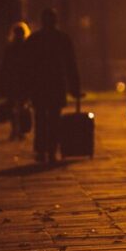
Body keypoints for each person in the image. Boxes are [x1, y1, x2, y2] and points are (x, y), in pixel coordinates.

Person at [25, 8, 81, 163]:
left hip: (39, 85)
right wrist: (74, 88)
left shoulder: (34, 39)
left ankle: (41, 149)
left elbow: (26, 66)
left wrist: (26, 88)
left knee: (40, 118)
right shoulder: (62, 39)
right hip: (56, 84)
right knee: (54, 118)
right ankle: (51, 149)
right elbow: (71, 65)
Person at [0, 22, 31, 140]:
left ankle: (15, 130)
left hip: (13, 81)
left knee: (14, 107)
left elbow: (4, 66)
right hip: (21, 81)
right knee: (20, 106)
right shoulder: (27, 47)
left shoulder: (11, 48)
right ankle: (19, 130)